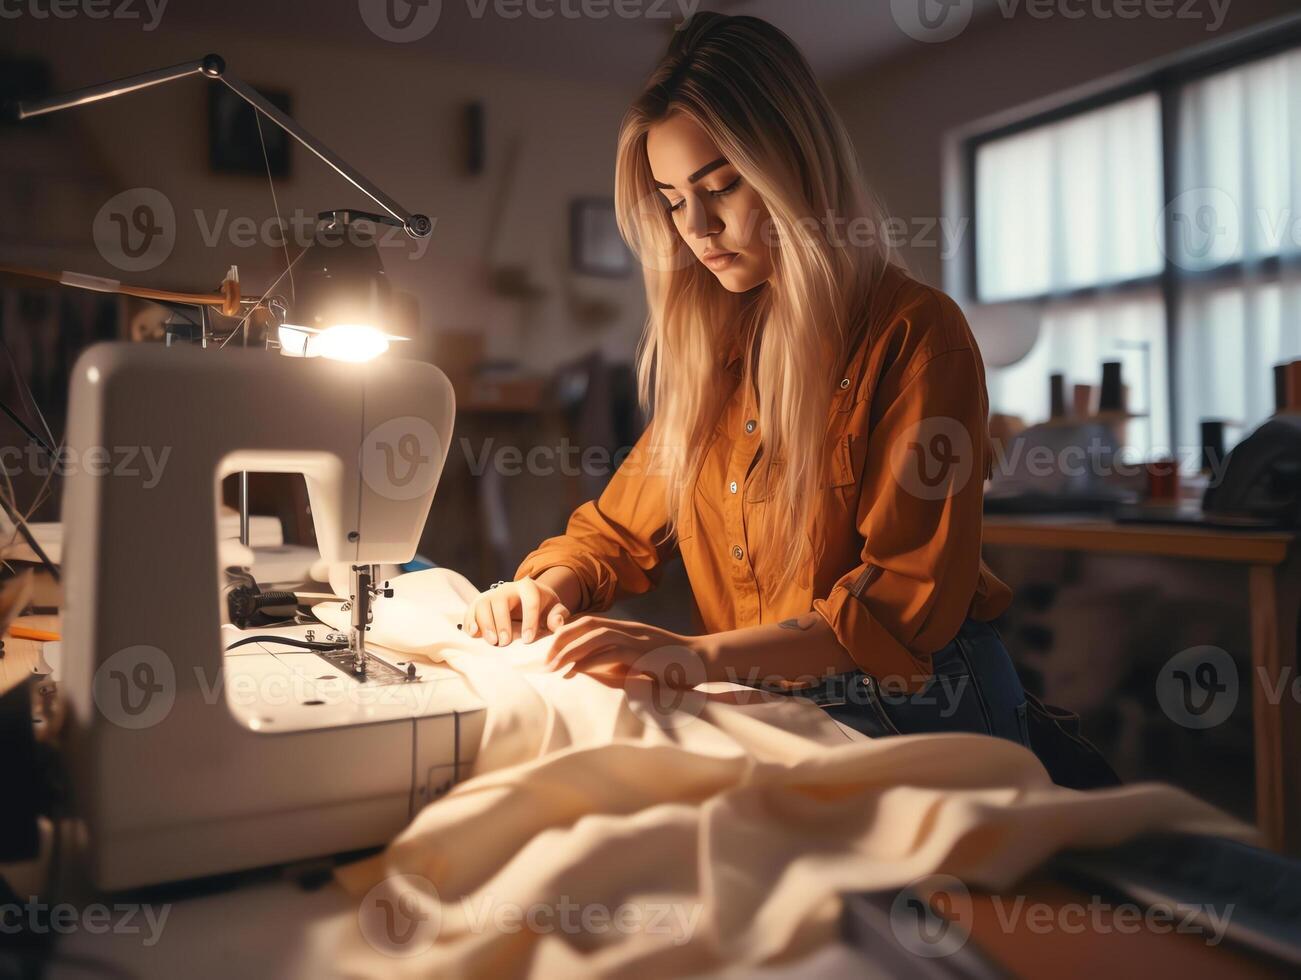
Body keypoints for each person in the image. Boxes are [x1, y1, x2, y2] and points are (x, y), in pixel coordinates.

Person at [461, 12, 1029, 745]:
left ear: (793, 167)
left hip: (921, 708)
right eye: (670, 200)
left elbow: (896, 607)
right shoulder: (714, 354)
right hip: (773, 701)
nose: (694, 228)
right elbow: (614, 533)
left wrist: (692, 656)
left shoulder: (916, 337)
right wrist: (540, 589)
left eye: (721, 187)